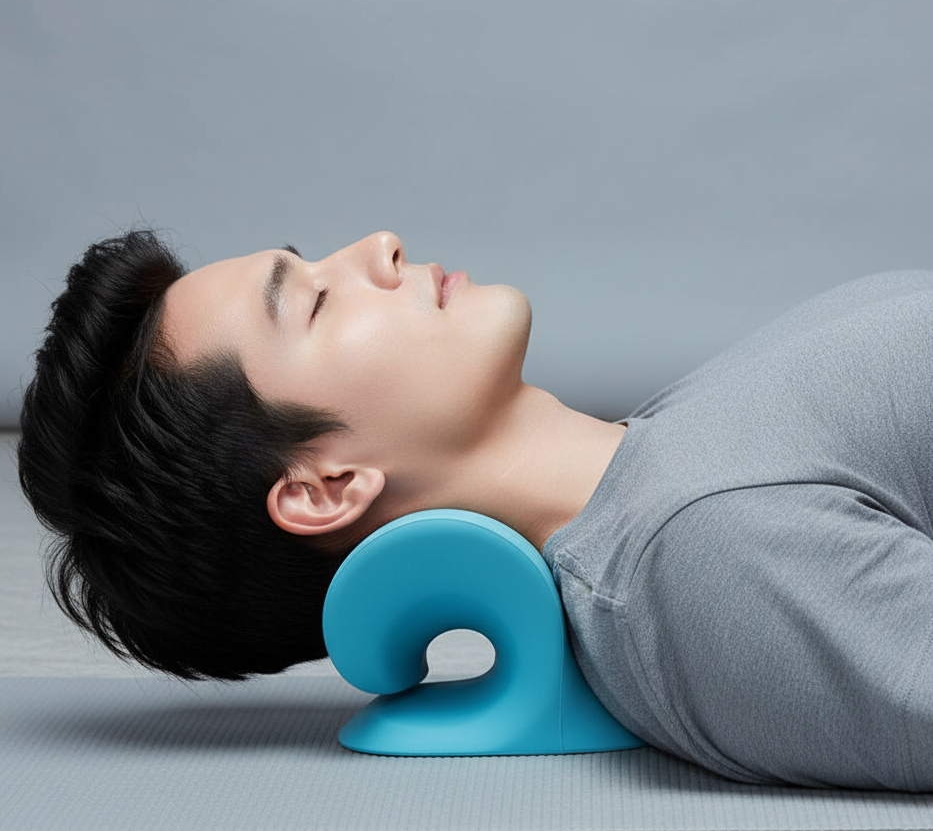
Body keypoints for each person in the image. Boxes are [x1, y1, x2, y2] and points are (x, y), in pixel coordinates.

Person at [17, 227, 933, 791]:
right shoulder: (700, 559)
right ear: (324, 485)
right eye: (316, 302)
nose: (379, 244)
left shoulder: (675, 447)